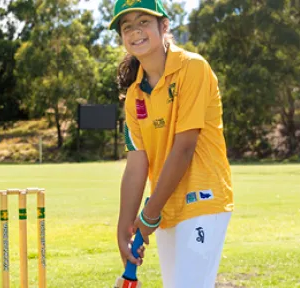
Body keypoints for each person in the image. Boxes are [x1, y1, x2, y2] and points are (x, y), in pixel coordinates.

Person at [108, 0, 234, 287]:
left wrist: (149, 214)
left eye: (143, 22)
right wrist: (124, 227)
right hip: (165, 207)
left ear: (163, 26)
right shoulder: (134, 95)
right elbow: (137, 163)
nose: (135, 31)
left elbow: (185, 147)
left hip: (203, 200)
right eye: (127, 27)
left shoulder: (193, 68)